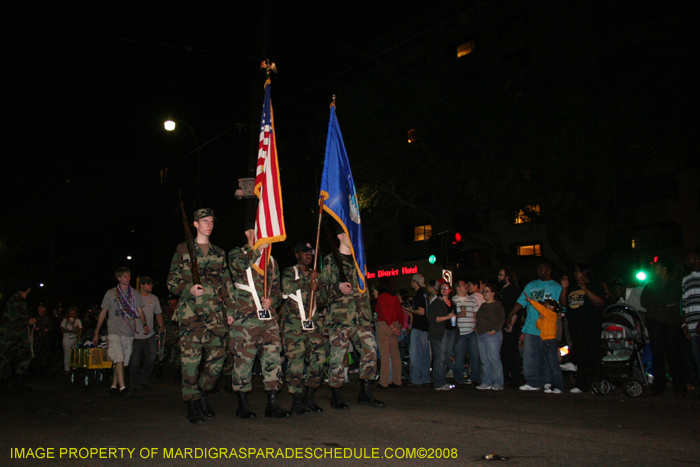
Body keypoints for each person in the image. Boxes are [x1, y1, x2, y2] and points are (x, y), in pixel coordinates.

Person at [167, 208, 232, 424]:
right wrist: (188, 290)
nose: (209, 225)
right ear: (195, 224)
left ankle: (203, 391)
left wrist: (230, 310)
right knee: (190, 360)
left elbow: (226, 284)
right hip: (191, 314)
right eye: (205, 221)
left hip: (214, 313)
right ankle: (192, 402)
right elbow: (172, 281)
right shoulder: (183, 249)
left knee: (219, 355)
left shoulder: (219, 253)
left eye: (211, 221)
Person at [228, 220, 290, 419]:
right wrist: (257, 249)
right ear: (248, 232)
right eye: (257, 230)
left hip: (268, 319)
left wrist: (273, 300)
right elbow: (238, 266)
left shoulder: (271, 261)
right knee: (244, 360)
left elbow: (279, 292)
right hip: (245, 318)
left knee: (273, 358)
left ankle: (272, 402)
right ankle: (242, 404)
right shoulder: (237, 253)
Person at [320, 228, 384, 409]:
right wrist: (337, 287)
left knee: (370, 350)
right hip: (339, 318)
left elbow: (364, 293)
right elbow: (321, 293)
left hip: (360, 318)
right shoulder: (331, 261)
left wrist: (368, 317)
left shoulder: (359, 261)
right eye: (347, 232)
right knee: (338, 357)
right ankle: (336, 394)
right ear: (339, 235)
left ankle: (365, 392)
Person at [281, 241, 327, 414]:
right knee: (296, 364)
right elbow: (286, 288)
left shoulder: (316, 275)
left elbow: (323, 300)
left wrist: (318, 288)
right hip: (294, 326)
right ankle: (296, 400)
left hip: (314, 324)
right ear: (297, 255)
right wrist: (309, 280)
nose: (308, 256)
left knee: (320, 360)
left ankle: (309, 396)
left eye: (310, 253)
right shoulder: (290, 272)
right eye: (305, 253)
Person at [506, 260, 562, 391]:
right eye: (538, 269)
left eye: (542, 269)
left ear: (549, 270)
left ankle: (548, 382)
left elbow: (560, 305)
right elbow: (521, 302)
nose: (539, 271)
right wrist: (510, 315)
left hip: (547, 328)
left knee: (548, 357)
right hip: (532, 326)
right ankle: (532, 382)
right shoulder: (531, 285)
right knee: (529, 355)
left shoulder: (556, 286)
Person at [93, 267, 149, 399]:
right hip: (114, 331)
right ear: (118, 278)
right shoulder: (110, 293)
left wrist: (144, 324)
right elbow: (103, 313)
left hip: (128, 332)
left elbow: (140, 311)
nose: (127, 278)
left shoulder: (134, 293)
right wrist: (96, 333)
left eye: (128, 275)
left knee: (123, 361)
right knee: (118, 358)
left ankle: (113, 386)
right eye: (124, 276)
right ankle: (123, 388)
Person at [641, 256, 686, 397]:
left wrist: (656, 302)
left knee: (674, 356)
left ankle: (679, 387)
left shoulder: (675, 283)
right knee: (657, 356)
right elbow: (644, 302)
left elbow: (672, 299)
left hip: (672, 323)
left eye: (656, 267)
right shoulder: (649, 285)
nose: (654, 269)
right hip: (655, 324)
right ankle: (659, 386)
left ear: (664, 269)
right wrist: (662, 305)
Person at [561, 263, 606, 393]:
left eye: (577, 271)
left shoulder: (596, 286)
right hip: (576, 327)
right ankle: (581, 384)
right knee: (580, 355)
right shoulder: (572, 287)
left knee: (593, 354)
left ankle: (596, 383)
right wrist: (564, 289)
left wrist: (586, 290)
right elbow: (565, 303)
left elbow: (600, 302)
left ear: (584, 273)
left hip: (591, 327)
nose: (575, 274)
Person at [129, 276, 165, 391]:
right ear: (142, 285)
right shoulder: (134, 298)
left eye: (151, 284)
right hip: (135, 335)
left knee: (152, 356)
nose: (151, 286)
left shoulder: (154, 298)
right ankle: (135, 381)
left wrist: (162, 326)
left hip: (150, 334)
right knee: (135, 360)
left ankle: (144, 378)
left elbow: (158, 314)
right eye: (148, 284)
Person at [524, 294, 565, 394]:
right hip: (544, 342)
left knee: (554, 365)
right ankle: (551, 385)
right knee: (548, 365)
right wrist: (541, 318)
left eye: (545, 306)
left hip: (550, 342)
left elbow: (542, 309)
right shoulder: (547, 317)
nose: (543, 308)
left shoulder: (552, 315)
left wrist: (532, 301)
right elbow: (539, 327)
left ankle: (559, 386)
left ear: (551, 307)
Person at [0, 283, 36, 393]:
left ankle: (17, 383)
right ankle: (4, 384)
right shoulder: (16, 300)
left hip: (18, 335)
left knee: (23, 356)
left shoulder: (19, 299)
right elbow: (14, 318)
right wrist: (28, 321)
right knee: (6, 358)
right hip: (10, 335)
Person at [475, 283, 505, 390]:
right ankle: (486, 381)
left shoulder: (497, 305)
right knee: (484, 359)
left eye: (487, 291)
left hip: (491, 335)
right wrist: (477, 328)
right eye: (484, 291)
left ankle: (498, 382)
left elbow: (501, 318)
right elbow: (478, 317)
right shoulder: (483, 305)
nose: (485, 293)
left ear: (493, 293)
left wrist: (494, 330)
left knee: (494, 359)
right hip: (481, 334)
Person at [374, 277, 403, 389]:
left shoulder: (381, 297)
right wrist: (398, 326)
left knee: (385, 355)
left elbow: (384, 312)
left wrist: (390, 325)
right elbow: (400, 311)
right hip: (395, 324)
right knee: (395, 354)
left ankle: (384, 382)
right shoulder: (394, 297)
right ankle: (397, 381)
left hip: (384, 325)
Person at [428, 281, 457, 391]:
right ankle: (439, 383)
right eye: (442, 288)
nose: (445, 290)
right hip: (440, 332)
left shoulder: (452, 303)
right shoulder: (436, 302)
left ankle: (442, 381)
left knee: (445, 357)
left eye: (446, 288)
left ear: (450, 290)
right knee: (440, 357)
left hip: (450, 331)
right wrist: (447, 317)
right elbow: (432, 318)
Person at [403, 274, 431, 386]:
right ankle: (425, 378)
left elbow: (421, 311)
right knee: (425, 355)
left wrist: (409, 310)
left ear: (415, 282)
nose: (411, 283)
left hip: (418, 328)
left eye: (412, 281)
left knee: (416, 355)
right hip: (425, 328)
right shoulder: (425, 295)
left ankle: (416, 379)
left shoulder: (418, 295)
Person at [498, 268, 523, 388]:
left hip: (511, 324)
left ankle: (515, 379)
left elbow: (515, 309)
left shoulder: (512, 290)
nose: (499, 277)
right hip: (505, 324)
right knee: (506, 352)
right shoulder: (504, 290)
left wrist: (510, 324)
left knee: (512, 351)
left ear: (507, 277)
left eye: (501, 275)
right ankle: (508, 378)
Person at [682, 249, 700, 398]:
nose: (686, 259)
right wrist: (684, 324)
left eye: (689, 256)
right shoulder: (686, 279)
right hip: (692, 324)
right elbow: (684, 303)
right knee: (696, 357)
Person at [452, 280, 475, 386]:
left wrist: (476, 326)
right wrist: (457, 316)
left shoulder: (472, 299)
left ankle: (475, 379)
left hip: (472, 332)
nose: (466, 285)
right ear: (458, 288)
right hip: (459, 333)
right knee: (459, 357)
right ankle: (458, 380)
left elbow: (477, 313)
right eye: (464, 284)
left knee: (475, 356)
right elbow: (449, 317)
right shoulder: (453, 301)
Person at [60, 307, 82, 375]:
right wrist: (70, 331)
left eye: (73, 313)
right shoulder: (65, 321)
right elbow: (62, 329)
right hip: (67, 339)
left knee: (75, 354)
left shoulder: (77, 320)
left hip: (74, 339)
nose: (72, 314)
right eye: (71, 313)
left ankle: (74, 368)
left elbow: (80, 329)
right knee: (67, 354)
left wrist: (78, 338)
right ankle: (67, 369)